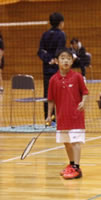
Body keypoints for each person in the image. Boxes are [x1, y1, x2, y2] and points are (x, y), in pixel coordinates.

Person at [46, 48, 88, 179]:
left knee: (76, 142)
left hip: (76, 116)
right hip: (62, 117)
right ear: (57, 61)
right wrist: (48, 115)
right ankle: (71, 164)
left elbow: (85, 92)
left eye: (69, 58)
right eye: (63, 58)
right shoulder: (53, 79)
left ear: (72, 61)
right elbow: (51, 99)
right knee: (66, 142)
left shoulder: (77, 77)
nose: (66, 60)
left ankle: (77, 168)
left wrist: (83, 102)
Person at [38, 12, 66, 119]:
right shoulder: (61, 34)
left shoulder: (45, 34)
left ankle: (48, 117)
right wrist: (55, 59)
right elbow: (60, 50)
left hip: (46, 69)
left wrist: (48, 59)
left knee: (47, 94)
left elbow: (40, 51)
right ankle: (60, 117)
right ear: (61, 23)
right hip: (57, 69)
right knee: (60, 93)